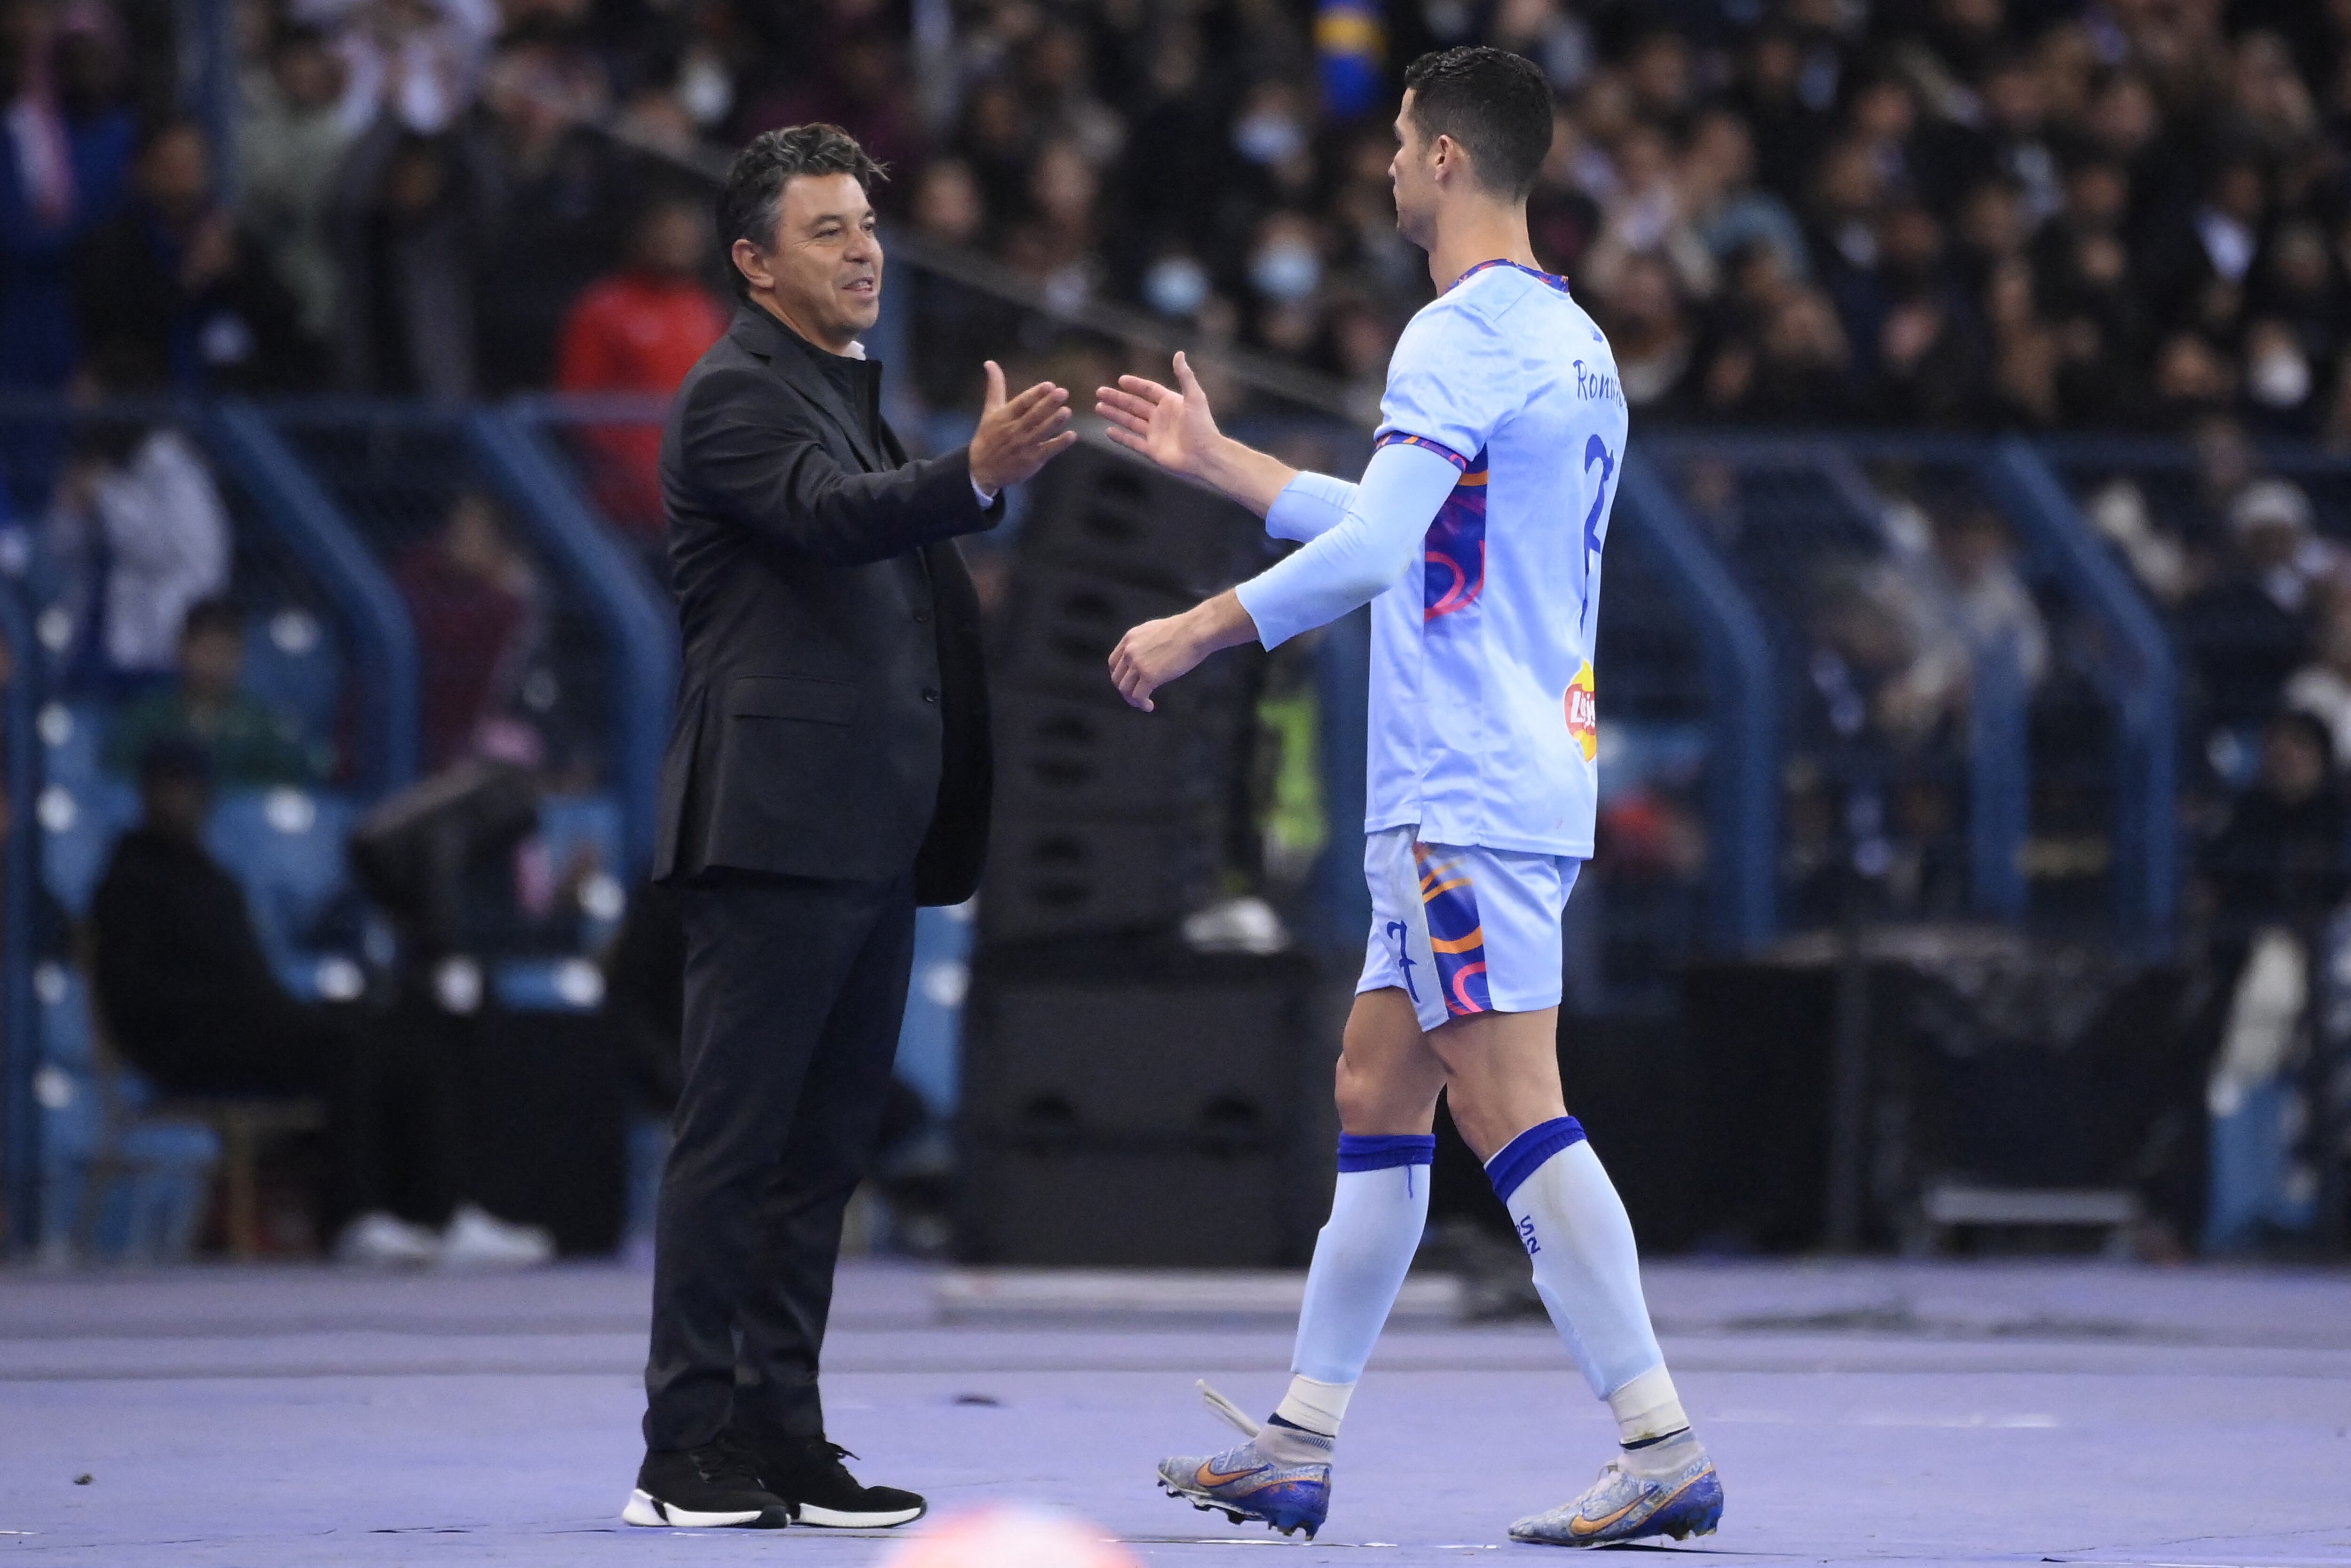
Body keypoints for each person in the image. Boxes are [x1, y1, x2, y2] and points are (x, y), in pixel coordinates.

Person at [1094, 47, 1720, 1547]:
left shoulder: (1450, 335)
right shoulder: (1569, 342)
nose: (1380, 164)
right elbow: (1419, 536)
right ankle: (1300, 1437)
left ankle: (1658, 1440)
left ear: (1444, 159)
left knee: (1509, 1101)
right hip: (1514, 770)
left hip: (1457, 788)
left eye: (1393, 141)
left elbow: (1373, 559)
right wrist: (1223, 460)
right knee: (1377, 1091)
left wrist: (1196, 626)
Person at [627, 123, 1073, 1532]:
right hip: (771, 829)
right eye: (826, 229)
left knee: (820, 1154)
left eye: (866, 222)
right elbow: (831, 521)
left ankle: (783, 1434)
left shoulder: (840, 389)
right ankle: (682, 1445)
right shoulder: (734, 396)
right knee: (734, 1141)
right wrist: (972, 472)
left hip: (863, 832)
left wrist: (958, 479)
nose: (864, 245)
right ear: (753, 261)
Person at [88, 737, 553, 1268]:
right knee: (353, 1045)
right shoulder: (126, 883)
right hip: (186, 1047)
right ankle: (356, 1217)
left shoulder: (212, 876)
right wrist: (245, 1018)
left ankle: (443, 1212)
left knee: (406, 1035)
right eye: (169, 788)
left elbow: (252, 983)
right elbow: (144, 999)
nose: (182, 801)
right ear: (147, 794)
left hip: (245, 1028)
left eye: (191, 788)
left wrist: (267, 1015)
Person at [554, 198, 729, 540]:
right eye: (665, 232)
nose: (674, 243)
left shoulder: (705, 310)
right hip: (623, 502)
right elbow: (575, 405)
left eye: (684, 235)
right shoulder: (602, 307)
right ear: (641, 235)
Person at [105, 595, 325, 785]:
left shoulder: (263, 728)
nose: (214, 664)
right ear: (182, 649)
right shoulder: (146, 717)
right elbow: (117, 784)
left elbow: (279, 795)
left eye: (226, 653)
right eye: (207, 650)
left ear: (241, 658)